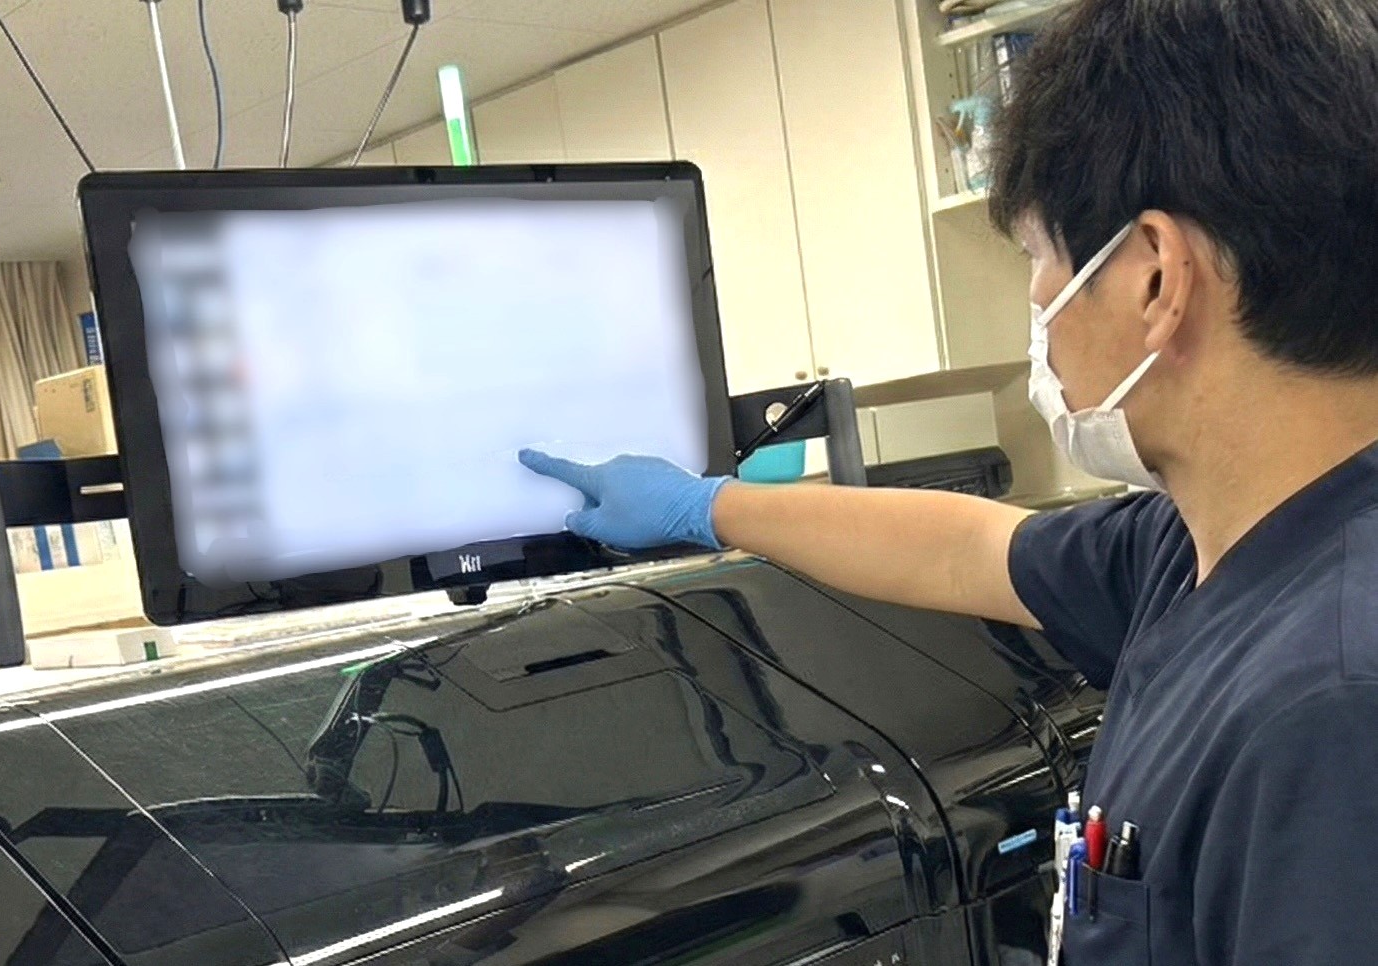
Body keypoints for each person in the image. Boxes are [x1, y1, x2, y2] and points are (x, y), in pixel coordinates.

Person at [519, 0, 1378, 962]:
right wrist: (704, 505)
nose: (1038, 305)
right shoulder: (1198, 545)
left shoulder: (1331, 708)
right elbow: (970, 547)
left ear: (1153, 278)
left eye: (1038, 258)